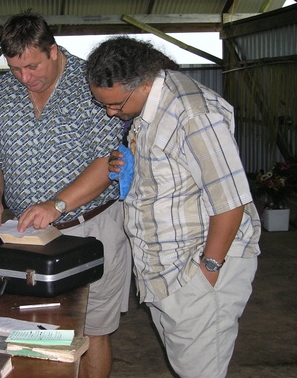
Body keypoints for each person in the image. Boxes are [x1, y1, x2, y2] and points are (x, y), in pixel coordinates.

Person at [86, 36, 261, 378]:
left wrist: (207, 271)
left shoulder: (193, 113)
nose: (110, 112)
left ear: (143, 83)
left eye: (116, 105)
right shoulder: (152, 105)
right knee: (188, 366)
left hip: (195, 271)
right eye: (103, 104)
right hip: (166, 272)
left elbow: (231, 201)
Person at [0, 11, 132, 378]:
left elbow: (109, 160)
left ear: (53, 51)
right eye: (15, 69)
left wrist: (56, 204)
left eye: (31, 67)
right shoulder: (3, 92)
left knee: (92, 330)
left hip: (90, 228)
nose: (24, 78)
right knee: (36, 328)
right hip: (26, 234)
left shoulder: (92, 84)